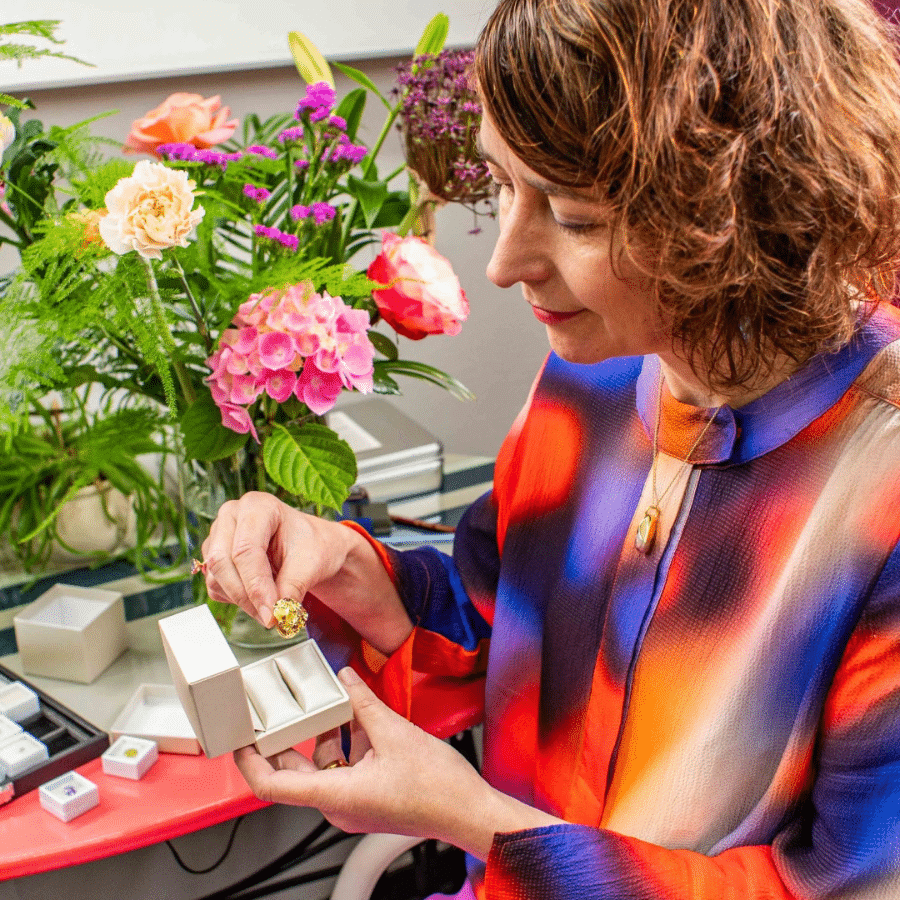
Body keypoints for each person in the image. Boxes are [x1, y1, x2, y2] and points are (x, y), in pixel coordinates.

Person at [198, 0, 900, 897]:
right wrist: (355, 572)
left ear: (733, 217)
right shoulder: (599, 367)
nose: (505, 261)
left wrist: (475, 822)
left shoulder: (878, 488)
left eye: (573, 217)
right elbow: (499, 614)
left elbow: (848, 888)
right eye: (501, 183)